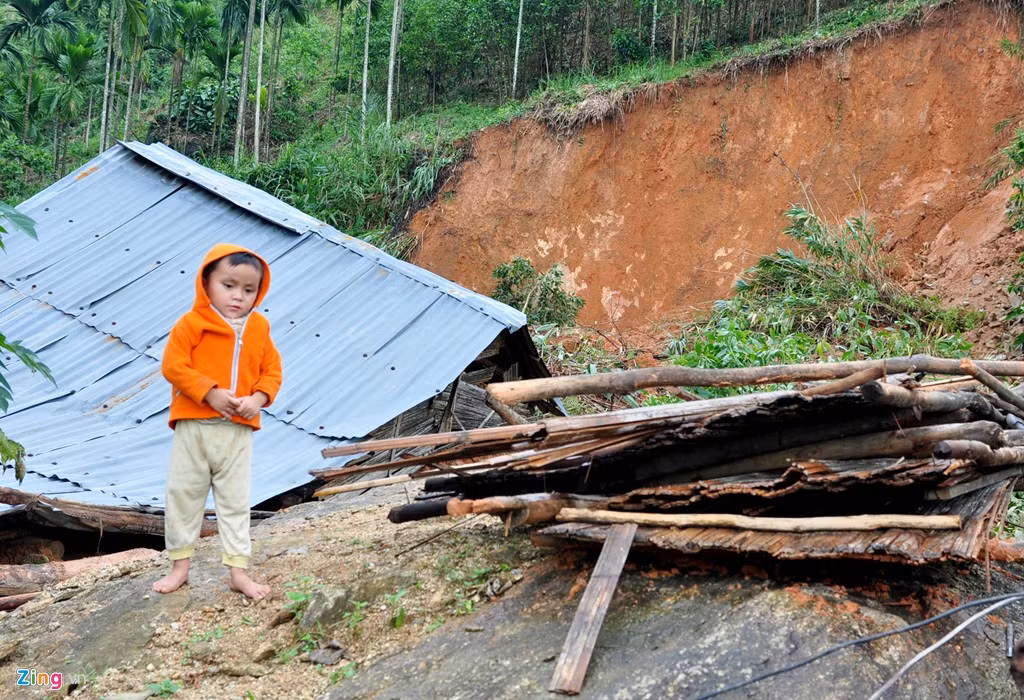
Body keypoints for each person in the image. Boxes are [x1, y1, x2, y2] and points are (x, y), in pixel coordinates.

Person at [152, 243, 282, 600]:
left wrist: (257, 399)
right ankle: (180, 567)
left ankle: (238, 572)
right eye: (229, 285)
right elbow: (173, 366)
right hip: (194, 425)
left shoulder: (259, 327)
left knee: (236, 501)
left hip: (237, 431)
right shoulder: (191, 323)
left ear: (259, 291)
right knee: (183, 496)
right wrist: (209, 392)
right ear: (206, 282)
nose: (238, 296)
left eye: (248, 289)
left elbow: (272, 372)